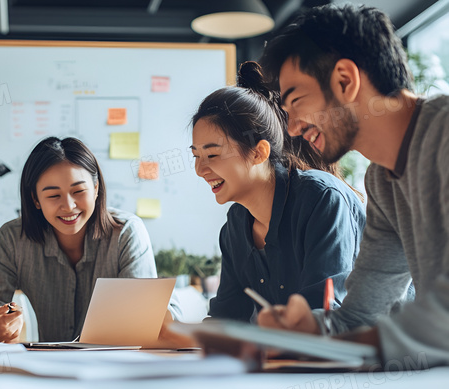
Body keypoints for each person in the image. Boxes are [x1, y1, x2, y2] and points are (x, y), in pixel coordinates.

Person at [257, 4, 449, 367]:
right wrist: (307, 329)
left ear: (346, 80)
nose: (293, 128)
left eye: (296, 101)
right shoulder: (382, 181)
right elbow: (360, 316)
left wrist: (339, 344)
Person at [191, 62, 365, 323]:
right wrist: (177, 333)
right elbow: (226, 319)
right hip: (295, 358)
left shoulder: (321, 199)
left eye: (212, 154)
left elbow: (322, 315)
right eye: (196, 156)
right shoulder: (235, 227)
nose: (200, 169)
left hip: (381, 354)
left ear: (259, 152)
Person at [0, 136, 181, 343]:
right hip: (48, 369)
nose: (69, 206)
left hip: (115, 366)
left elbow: (149, 323)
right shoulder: (12, 239)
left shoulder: (126, 233)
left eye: (79, 191)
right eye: (53, 196)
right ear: (35, 199)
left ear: (96, 188)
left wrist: (156, 314)